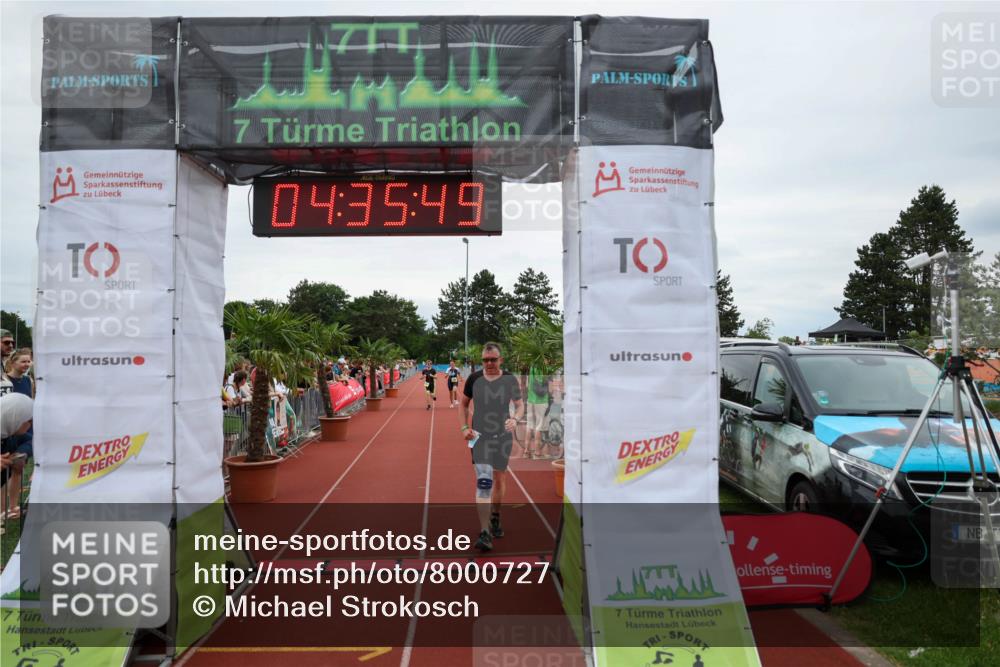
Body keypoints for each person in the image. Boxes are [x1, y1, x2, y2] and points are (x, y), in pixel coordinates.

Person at [460, 342, 524, 551]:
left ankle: (495, 516)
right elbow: (463, 404)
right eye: (485, 360)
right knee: (484, 481)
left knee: (500, 478)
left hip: (502, 437)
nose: (489, 363)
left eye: (493, 360)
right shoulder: (474, 379)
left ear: (500, 360)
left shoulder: (509, 380)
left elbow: (520, 404)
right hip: (479, 438)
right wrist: (463, 427)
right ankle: (485, 531)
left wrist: (515, 418)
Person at [1, 393, 33, 533]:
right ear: (15, 417)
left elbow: (31, 440)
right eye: (29, 421)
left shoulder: (9, 432)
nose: (30, 425)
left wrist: (22, 453)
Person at [524, 364, 550, 459]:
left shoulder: (532, 366)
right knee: (539, 426)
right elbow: (544, 383)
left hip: (531, 400)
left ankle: (526, 452)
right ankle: (537, 452)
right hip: (541, 401)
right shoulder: (543, 367)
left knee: (529, 425)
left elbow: (528, 385)